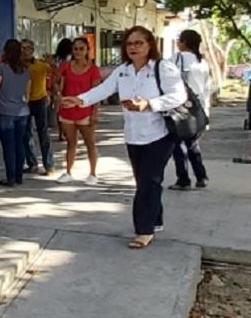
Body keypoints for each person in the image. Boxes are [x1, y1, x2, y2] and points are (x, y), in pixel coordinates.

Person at [62, 26, 187, 249]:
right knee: (146, 180)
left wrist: (149, 104)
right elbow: (103, 90)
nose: (133, 48)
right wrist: (80, 100)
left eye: (139, 43)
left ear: (150, 45)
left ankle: (143, 230)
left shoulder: (163, 67)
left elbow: (179, 95)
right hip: (133, 135)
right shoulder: (123, 71)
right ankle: (155, 219)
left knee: (148, 181)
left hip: (160, 134)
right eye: (129, 44)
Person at [168, 29, 212, 190]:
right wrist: (206, 112)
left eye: (179, 40)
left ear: (185, 42)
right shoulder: (202, 62)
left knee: (177, 145)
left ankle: (183, 179)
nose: (177, 43)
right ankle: (201, 176)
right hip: (197, 107)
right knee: (193, 144)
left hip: (179, 106)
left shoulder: (176, 59)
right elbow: (207, 89)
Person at [56, 36, 102, 186]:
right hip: (68, 111)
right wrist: (59, 96)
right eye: (75, 48)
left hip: (86, 112)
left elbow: (97, 92)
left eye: (81, 48)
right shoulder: (65, 66)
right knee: (71, 143)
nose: (78, 51)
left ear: (87, 50)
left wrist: (95, 112)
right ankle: (68, 171)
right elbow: (56, 83)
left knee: (90, 143)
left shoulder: (93, 69)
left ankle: (93, 173)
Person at [0, 39, 31, 187]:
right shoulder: (25, 70)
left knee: (9, 146)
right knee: (20, 144)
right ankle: (18, 176)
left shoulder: (1, 68)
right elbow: (28, 94)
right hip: (22, 111)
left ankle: (10, 178)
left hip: (5, 111)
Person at [22, 39, 55, 176]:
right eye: (22, 48)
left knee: (43, 133)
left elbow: (56, 75)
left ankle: (49, 165)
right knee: (26, 133)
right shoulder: (18, 66)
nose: (24, 50)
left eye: (27, 48)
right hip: (24, 102)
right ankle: (32, 163)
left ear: (32, 50)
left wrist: (52, 64)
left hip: (39, 101)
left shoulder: (41, 65)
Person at [52, 38, 74, 142]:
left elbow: (54, 73)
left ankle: (61, 133)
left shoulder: (56, 59)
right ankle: (68, 131)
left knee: (59, 111)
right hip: (70, 86)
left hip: (57, 86)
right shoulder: (72, 60)